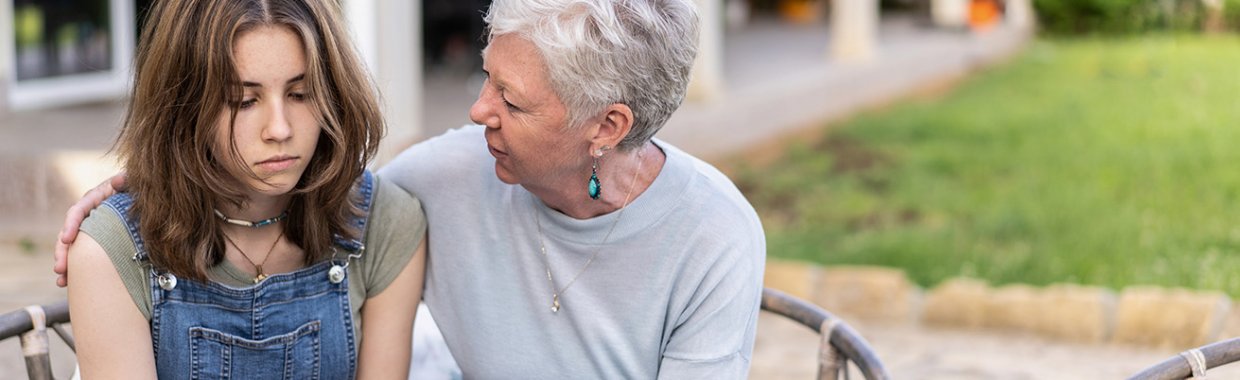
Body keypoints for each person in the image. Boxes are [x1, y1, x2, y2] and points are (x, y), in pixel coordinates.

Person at [57, 0, 764, 377]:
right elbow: (297, 193)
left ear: (606, 126)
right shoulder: (447, 177)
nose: (477, 110)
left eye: (511, 101)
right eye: (485, 76)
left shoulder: (713, 236)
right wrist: (142, 192)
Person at [62, 0, 427, 378]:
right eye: (244, 101)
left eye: (300, 94)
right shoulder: (112, 249)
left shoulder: (383, 221)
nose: (280, 129)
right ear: (182, 107)